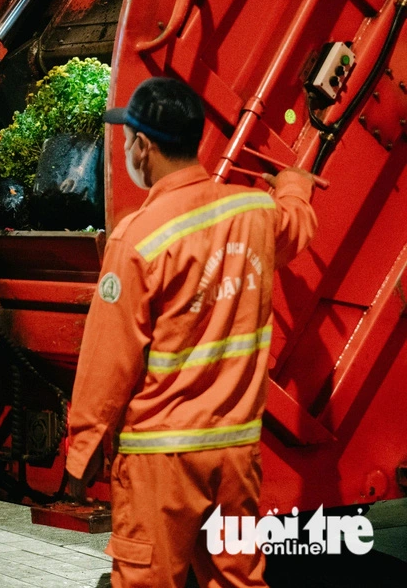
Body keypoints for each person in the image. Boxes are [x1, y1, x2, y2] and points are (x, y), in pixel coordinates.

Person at [64, 77, 317, 588]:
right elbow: (299, 222)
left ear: (145, 146)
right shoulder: (255, 213)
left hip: (164, 459)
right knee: (238, 581)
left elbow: (108, 357)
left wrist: (82, 448)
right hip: (236, 455)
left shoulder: (140, 237)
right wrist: (294, 183)